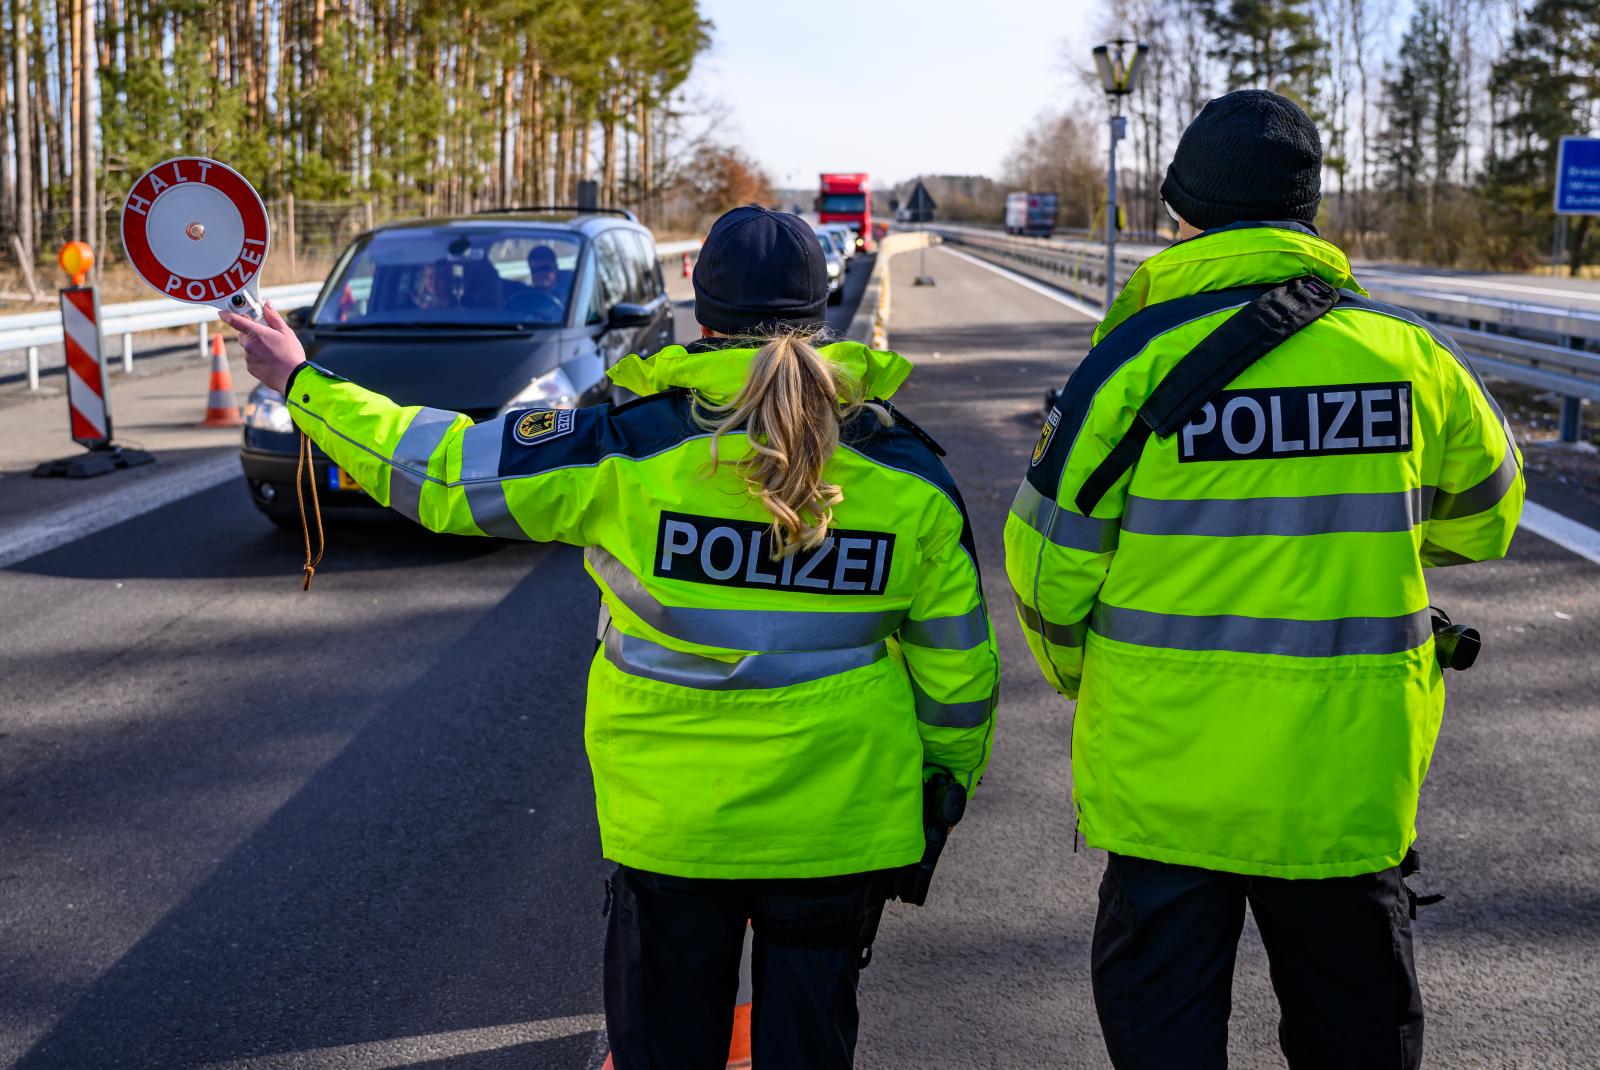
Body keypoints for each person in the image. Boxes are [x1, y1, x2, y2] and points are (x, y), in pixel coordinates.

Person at [222, 204, 999, 1069]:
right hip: (843, 826)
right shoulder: (911, 475)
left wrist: (302, 380)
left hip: (672, 828)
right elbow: (959, 673)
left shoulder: (624, 448)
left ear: (700, 314)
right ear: (822, 312)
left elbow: (437, 472)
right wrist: (942, 792)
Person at [1004, 90, 1523, 1070]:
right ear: (1309, 213)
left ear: (1180, 211)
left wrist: (1099, 677)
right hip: (1344, 778)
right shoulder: (1406, 355)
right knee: (1355, 1036)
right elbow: (1487, 512)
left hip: (1165, 779)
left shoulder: (1127, 365)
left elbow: (1043, 569)